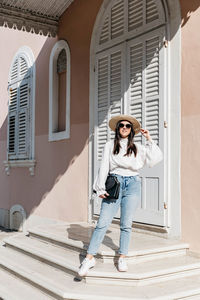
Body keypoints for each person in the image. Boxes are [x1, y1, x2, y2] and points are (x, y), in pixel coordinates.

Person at [78, 114, 163, 277]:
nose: (124, 127)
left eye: (128, 126)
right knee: (102, 222)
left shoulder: (138, 147)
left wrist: (149, 139)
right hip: (115, 183)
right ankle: (89, 258)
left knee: (126, 224)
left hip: (133, 184)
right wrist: (100, 188)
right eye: (121, 125)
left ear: (132, 130)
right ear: (117, 129)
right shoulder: (110, 145)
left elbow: (155, 158)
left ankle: (122, 256)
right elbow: (104, 166)